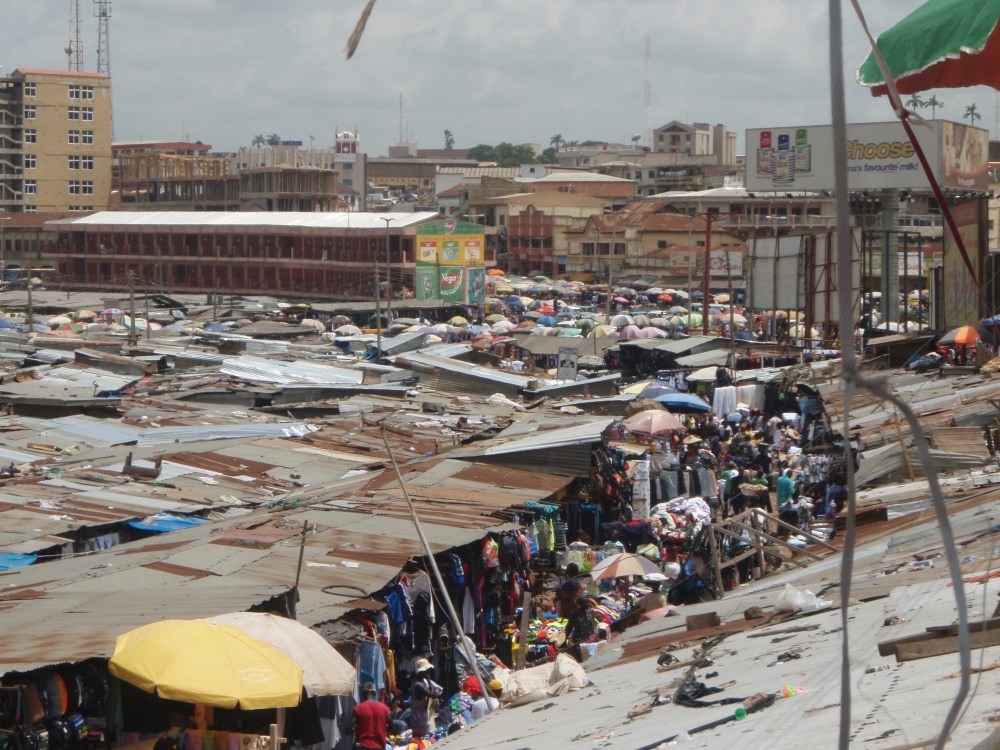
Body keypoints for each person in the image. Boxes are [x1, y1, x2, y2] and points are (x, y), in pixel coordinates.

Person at [409, 658, 443, 739]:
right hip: (422, 721)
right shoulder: (419, 686)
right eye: (427, 671)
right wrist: (428, 680)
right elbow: (432, 694)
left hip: (417, 719)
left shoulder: (416, 682)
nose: (428, 673)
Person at [350, 682, 391, 750]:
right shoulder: (384, 708)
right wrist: (382, 730)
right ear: (375, 694)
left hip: (362, 746)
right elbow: (392, 727)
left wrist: (352, 730)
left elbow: (349, 728)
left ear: (363, 694)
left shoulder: (359, 708)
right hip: (379, 746)